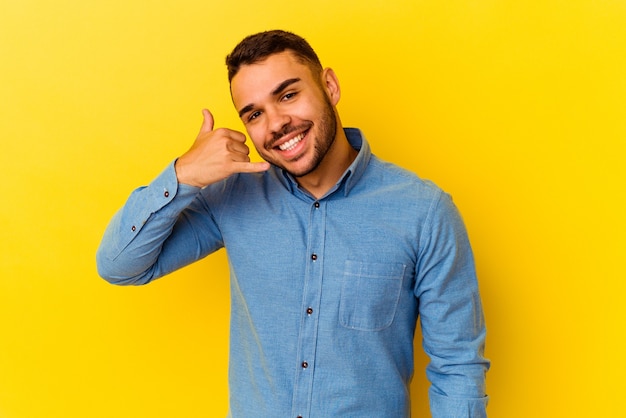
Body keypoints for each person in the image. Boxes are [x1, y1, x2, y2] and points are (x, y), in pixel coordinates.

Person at [97, 30, 490, 417]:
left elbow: (457, 366)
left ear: (330, 87)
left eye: (288, 95)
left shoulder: (423, 211)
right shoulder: (232, 198)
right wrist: (183, 175)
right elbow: (120, 265)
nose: (277, 124)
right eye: (254, 114)